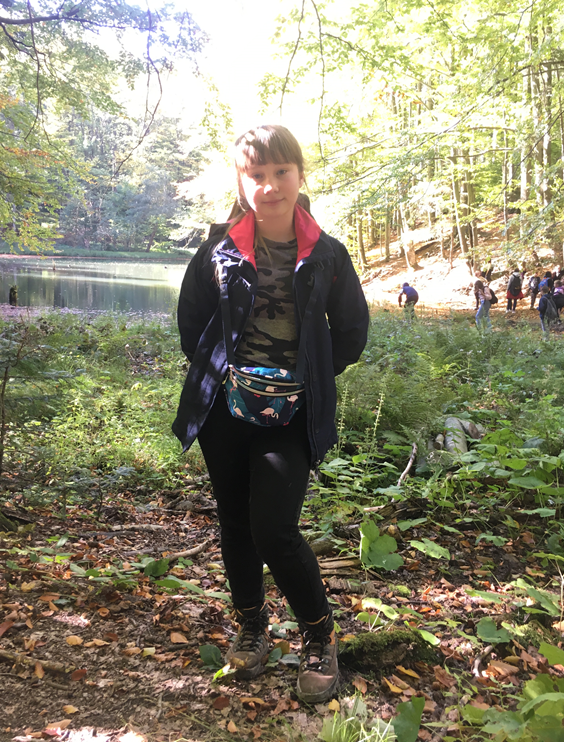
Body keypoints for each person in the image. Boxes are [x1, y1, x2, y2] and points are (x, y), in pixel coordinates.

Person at [172, 125, 369, 703]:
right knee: (235, 522)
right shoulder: (218, 250)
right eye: (256, 174)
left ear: (300, 176)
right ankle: (252, 627)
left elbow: (352, 331)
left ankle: (319, 637)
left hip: (293, 412)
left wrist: (304, 379)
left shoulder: (328, 254)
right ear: (241, 182)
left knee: (274, 529)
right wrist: (232, 378)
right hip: (224, 410)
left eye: (281, 172)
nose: (270, 185)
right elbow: (192, 324)